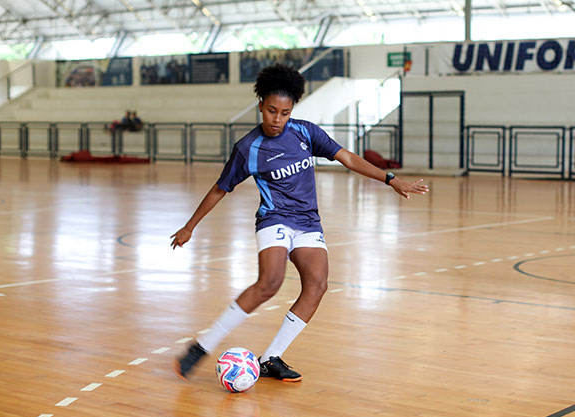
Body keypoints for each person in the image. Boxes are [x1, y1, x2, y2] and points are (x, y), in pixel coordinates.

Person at [171, 64, 429, 381]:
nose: (277, 119)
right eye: (271, 111)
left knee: (318, 285)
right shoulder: (248, 148)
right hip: (273, 219)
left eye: (284, 112)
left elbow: (347, 157)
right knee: (270, 282)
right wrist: (189, 226)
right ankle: (201, 347)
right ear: (260, 105)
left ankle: (271, 358)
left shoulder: (305, 132)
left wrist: (391, 180)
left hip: (308, 223)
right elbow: (219, 189)